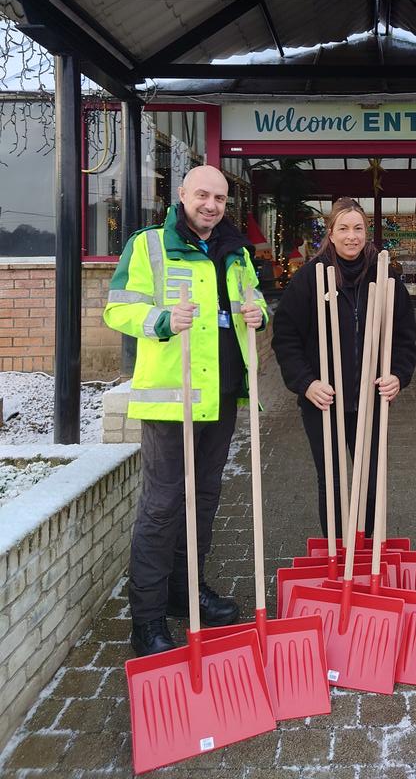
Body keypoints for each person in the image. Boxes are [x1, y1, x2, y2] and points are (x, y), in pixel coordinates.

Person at [103, 165, 267, 657]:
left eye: (219, 197)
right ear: (182, 195)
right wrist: (160, 319)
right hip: (172, 400)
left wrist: (260, 310)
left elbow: (252, 296)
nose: (211, 205)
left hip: (220, 396)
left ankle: (184, 591)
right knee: (160, 507)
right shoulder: (149, 244)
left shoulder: (234, 251)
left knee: (204, 500)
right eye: (202, 195)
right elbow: (117, 308)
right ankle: (147, 619)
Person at [272, 197, 416, 537]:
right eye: (343, 229)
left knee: (370, 476)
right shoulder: (311, 278)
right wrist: (306, 383)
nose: (351, 236)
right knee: (333, 480)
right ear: (331, 233)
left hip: (371, 400)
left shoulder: (385, 276)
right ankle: (338, 555)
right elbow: (286, 336)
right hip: (324, 401)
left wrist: (398, 375)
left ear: (366, 233)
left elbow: (405, 336)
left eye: (358, 229)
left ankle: (368, 551)